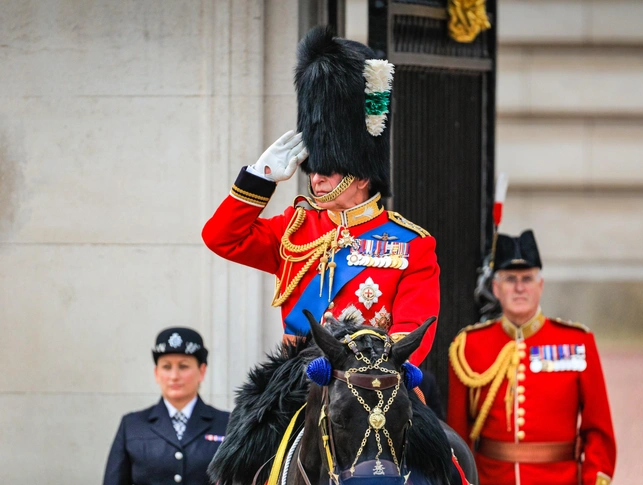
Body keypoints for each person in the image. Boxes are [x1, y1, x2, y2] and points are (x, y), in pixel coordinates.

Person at [201, 26, 439, 366]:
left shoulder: (412, 245)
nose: (316, 176)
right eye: (314, 166)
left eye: (328, 167)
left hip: (369, 385)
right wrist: (261, 178)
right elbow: (220, 237)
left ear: (362, 174)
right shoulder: (295, 229)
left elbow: (411, 333)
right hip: (298, 381)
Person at [447, 230, 617, 485]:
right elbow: (459, 435)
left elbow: (598, 430)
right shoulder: (469, 346)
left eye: (527, 278)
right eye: (510, 279)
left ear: (540, 285)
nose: (519, 287)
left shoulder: (577, 342)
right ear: (496, 287)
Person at [103, 327, 230, 485]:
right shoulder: (132, 425)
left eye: (183, 366)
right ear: (156, 373)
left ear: (202, 371)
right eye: (166, 367)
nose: (174, 376)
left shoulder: (226, 424)